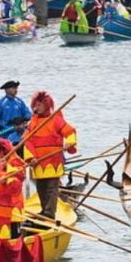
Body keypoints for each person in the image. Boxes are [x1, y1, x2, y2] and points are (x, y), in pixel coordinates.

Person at [24, 91, 77, 221]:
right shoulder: (33, 123)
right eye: (35, 105)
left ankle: (49, 212)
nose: (37, 107)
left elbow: (70, 132)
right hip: (39, 162)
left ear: (46, 105)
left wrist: (69, 143)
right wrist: (31, 158)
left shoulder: (56, 120)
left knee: (52, 189)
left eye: (40, 104)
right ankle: (44, 210)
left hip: (53, 162)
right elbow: (27, 141)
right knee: (41, 188)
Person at [0, 80, 32, 145]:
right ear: (6, 90)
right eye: (13, 88)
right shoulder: (1, 103)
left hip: (19, 132)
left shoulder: (19, 102)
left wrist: (25, 119)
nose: (16, 90)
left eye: (16, 88)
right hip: (5, 134)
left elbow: (28, 114)